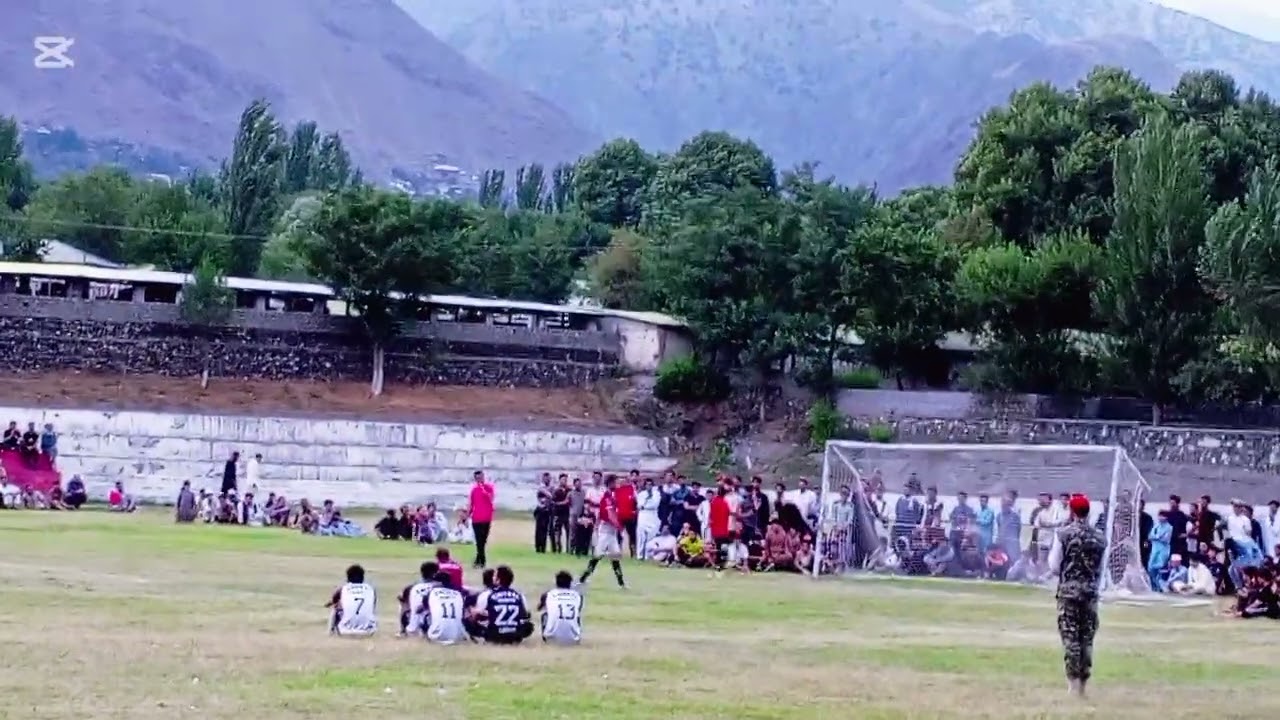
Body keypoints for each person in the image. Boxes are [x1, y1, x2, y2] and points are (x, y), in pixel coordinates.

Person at [1047, 494, 1105, 698]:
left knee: (1070, 639)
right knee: (1086, 639)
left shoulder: (1063, 533)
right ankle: (1084, 685)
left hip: (1069, 593)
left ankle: (1073, 686)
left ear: (1071, 511)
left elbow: (1054, 565)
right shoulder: (1099, 537)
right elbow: (1102, 567)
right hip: (1090, 593)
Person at [578, 474, 627, 588]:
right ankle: (583, 578)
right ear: (610, 484)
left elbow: (601, 512)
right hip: (606, 530)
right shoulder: (608, 497)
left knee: (614, 556)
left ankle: (621, 583)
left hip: (611, 531)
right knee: (598, 555)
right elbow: (610, 515)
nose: (618, 484)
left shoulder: (612, 496)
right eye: (616, 482)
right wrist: (619, 527)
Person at [478, 565, 533, 644]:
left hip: (494, 635)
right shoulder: (519, 595)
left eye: (494, 575)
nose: (492, 577)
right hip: (515, 635)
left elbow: (478, 615)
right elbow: (527, 615)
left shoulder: (487, 594)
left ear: (498, 580)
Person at [326, 564, 377, 637]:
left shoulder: (343, 588)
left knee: (336, 607)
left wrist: (330, 603)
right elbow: (373, 605)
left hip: (345, 631)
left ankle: (331, 632)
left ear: (348, 578)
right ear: (363, 577)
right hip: (369, 631)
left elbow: (334, 600)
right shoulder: (371, 589)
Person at [539, 570, 584, 645]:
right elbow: (578, 610)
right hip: (573, 639)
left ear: (556, 582)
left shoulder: (548, 594)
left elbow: (539, 608)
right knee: (577, 616)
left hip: (551, 638)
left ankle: (547, 635)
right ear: (570, 583)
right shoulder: (577, 595)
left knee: (545, 614)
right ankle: (576, 634)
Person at [424, 571, 469, 645]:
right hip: (458, 636)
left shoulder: (432, 592)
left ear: (440, 583)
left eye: (434, 581)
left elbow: (422, 609)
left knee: (426, 616)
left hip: (436, 635)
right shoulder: (458, 593)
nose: (432, 584)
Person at [397, 561, 439, 636]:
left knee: (403, 604)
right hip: (436, 627)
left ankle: (403, 631)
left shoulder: (411, 587)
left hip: (415, 629)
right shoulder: (440, 587)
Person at [469, 471, 495, 568]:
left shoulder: (489, 487)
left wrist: (484, 491)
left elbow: (491, 498)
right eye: (477, 478)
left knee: (483, 540)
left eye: (480, 477)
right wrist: (467, 514)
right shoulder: (474, 490)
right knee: (478, 540)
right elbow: (472, 504)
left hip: (486, 518)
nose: (479, 480)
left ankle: (478, 559)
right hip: (476, 518)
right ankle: (481, 560)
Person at [635, 478, 662, 560]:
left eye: (650, 484)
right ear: (645, 485)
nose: (649, 486)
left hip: (652, 516)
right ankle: (639, 555)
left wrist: (645, 505)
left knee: (651, 537)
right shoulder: (641, 494)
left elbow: (655, 505)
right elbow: (640, 505)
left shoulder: (656, 494)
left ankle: (648, 555)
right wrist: (647, 499)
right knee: (641, 536)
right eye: (647, 484)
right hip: (643, 516)